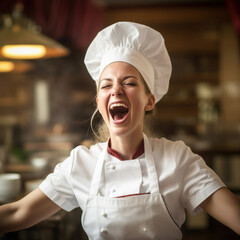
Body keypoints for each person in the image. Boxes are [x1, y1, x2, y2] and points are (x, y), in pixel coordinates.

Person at [0, 21, 240, 239]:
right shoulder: (81, 164)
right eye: (106, 85)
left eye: (129, 82)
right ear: (98, 101)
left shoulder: (177, 159)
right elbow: (18, 212)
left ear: (149, 100)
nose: (116, 90)